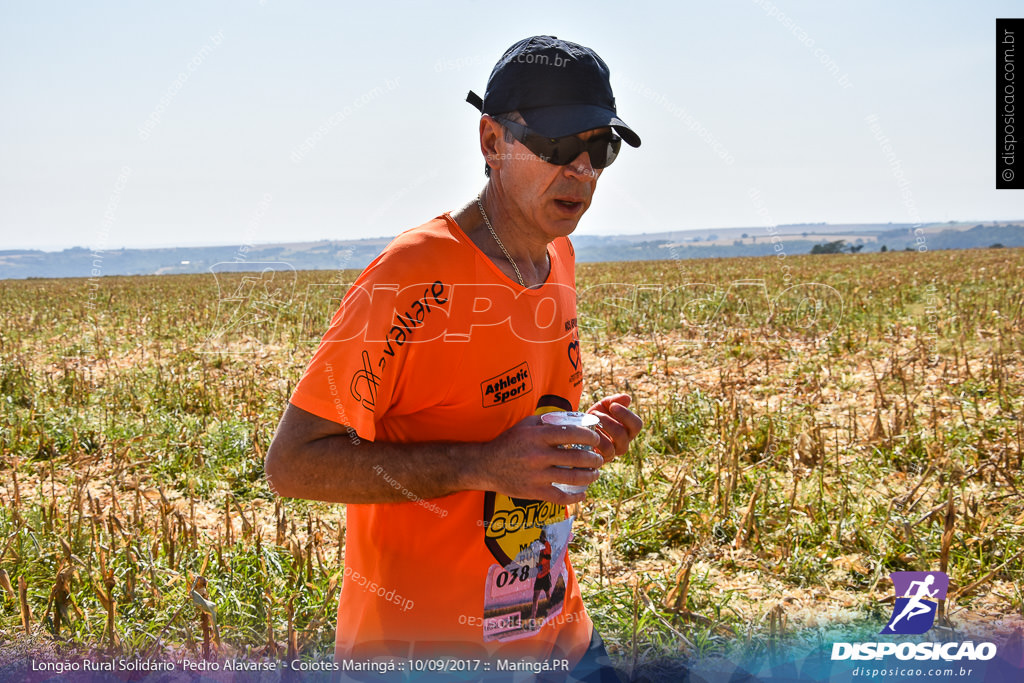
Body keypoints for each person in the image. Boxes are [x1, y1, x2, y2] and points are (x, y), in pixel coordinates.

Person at [265, 35, 643, 681]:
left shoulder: (557, 257)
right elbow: (293, 464)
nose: (581, 170)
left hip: (560, 639)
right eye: (556, 145)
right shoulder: (411, 275)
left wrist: (577, 439)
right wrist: (481, 464)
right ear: (492, 141)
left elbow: (514, 421)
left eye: (599, 148)